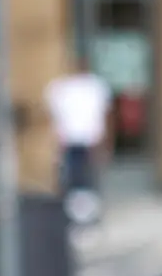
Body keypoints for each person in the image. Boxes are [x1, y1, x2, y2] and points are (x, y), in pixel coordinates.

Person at [43, 57, 111, 225]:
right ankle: (72, 219)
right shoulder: (61, 88)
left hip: (89, 141)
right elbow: (54, 117)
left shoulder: (95, 87)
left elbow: (104, 115)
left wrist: (105, 142)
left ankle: (88, 219)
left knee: (88, 180)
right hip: (69, 142)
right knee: (70, 181)